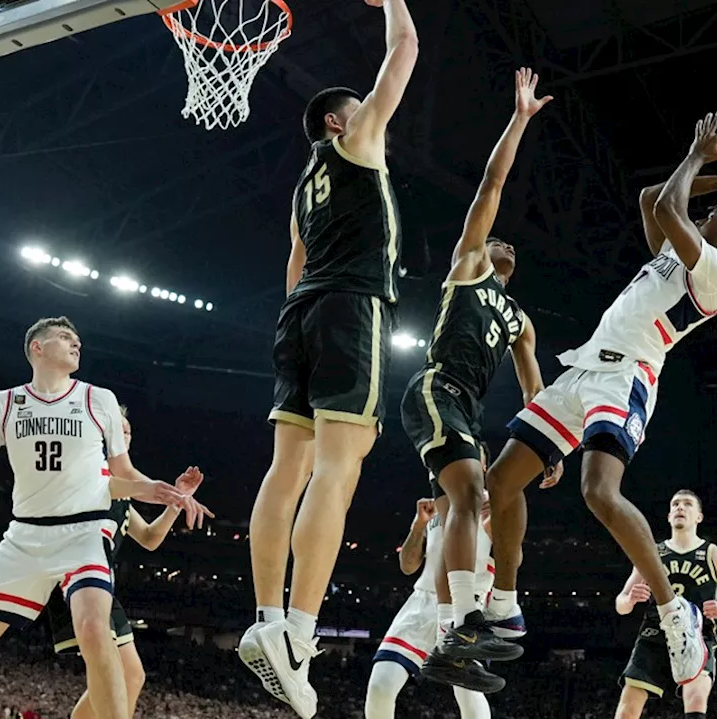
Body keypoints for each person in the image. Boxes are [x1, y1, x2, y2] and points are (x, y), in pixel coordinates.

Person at [480, 111, 717, 689]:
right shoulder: (680, 250)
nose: (702, 211)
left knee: (597, 491)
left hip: (628, 377)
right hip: (583, 371)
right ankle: (503, 605)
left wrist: (699, 156)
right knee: (500, 482)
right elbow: (651, 198)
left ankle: (675, 616)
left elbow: (669, 206)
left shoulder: (715, 272)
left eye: (713, 215)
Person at [240, 0, 420, 716]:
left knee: (288, 468)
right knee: (340, 470)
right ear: (339, 123)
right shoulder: (358, 141)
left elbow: (294, 259)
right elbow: (403, 48)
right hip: (351, 308)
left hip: (301, 314)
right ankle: (301, 634)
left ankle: (265, 619)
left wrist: (295, 317)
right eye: (360, 106)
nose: (374, 113)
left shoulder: (301, 190)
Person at [0, 316, 211, 719]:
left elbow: (123, 470)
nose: (76, 343)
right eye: (65, 338)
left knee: (97, 631)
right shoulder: (4, 402)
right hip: (24, 538)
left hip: (83, 534)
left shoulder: (98, 398)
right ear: (38, 348)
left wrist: (159, 490)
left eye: (77, 339)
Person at [394, 67, 560, 691]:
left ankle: (485, 615)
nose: (505, 244)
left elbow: (533, 389)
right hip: (436, 390)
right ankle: (463, 621)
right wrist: (519, 119)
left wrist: (548, 443)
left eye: (511, 246)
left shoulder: (520, 321)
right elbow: (492, 182)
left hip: (470, 412)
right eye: (498, 240)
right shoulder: (468, 266)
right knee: (466, 499)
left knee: (497, 496)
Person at [44, 405, 208, 719]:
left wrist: (176, 502)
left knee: (130, 677)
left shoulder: (122, 495)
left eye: (128, 430)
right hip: (75, 580)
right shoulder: (84, 475)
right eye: (118, 430)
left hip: (103, 590)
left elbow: (149, 538)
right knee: (118, 677)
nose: (125, 435)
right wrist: (169, 493)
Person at [613, 490, 717, 719]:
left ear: (699, 517)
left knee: (696, 697)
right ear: (668, 516)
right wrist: (630, 599)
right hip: (654, 636)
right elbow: (620, 604)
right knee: (627, 708)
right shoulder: (652, 552)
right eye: (675, 504)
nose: (680, 508)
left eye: (687, 504)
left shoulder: (713, 554)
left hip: (696, 636)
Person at [365, 493, 495, 718]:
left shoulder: (492, 500)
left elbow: (515, 558)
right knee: (380, 687)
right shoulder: (435, 504)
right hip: (422, 601)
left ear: (481, 464)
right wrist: (418, 526)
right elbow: (407, 566)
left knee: (468, 691)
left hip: (466, 602)